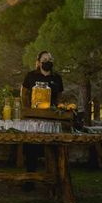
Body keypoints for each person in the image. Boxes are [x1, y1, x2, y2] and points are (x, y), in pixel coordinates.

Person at [20, 50, 64, 191]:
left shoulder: (57, 78)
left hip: (51, 118)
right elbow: (24, 93)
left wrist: (58, 110)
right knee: (31, 149)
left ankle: (53, 181)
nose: (47, 61)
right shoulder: (31, 76)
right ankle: (29, 180)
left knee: (52, 149)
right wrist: (27, 110)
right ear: (39, 62)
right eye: (44, 59)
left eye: (50, 59)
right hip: (33, 117)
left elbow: (59, 98)